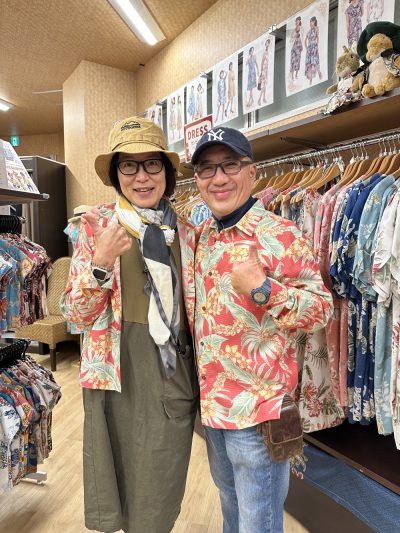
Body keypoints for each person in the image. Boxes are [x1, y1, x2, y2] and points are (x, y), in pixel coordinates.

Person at [181, 127, 333, 533]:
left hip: (258, 412)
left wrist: (264, 289)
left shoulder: (280, 234)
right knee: (231, 509)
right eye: (207, 168)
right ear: (197, 180)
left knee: (258, 522)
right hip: (214, 407)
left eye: (230, 165)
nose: (218, 178)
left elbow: (321, 310)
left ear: (252, 172)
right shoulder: (202, 236)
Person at [61, 116, 199, 533]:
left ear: (167, 171)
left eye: (152, 164)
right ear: (116, 173)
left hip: (170, 367)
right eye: (128, 166)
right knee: (115, 472)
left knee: (161, 476)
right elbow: (75, 315)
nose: (141, 177)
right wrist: (101, 262)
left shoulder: (188, 232)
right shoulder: (94, 227)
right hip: (114, 368)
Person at [305, 15, 322, 84]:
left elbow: (318, 37)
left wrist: (316, 46)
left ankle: (319, 73)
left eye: (311, 22)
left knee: (316, 61)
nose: (310, 23)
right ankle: (310, 79)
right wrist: (307, 48)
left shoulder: (316, 28)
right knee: (309, 64)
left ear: (314, 22)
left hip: (314, 47)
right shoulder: (308, 31)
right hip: (309, 49)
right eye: (310, 22)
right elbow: (305, 41)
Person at [258, 38, 271, 105]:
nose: (267, 44)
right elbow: (262, 62)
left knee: (265, 85)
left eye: (268, 43)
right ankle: (260, 99)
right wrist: (261, 71)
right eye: (266, 43)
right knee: (264, 85)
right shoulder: (265, 52)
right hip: (263, 71)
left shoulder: (268, 52)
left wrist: (267, 72)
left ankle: (263, 98)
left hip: (266, 71)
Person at [290, 16, 303, 81]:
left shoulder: (302, 29)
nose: (296, 22)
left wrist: (302, 46)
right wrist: (294, 36)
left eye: (297, 20)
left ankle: (296, 75)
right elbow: (291, 39)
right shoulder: (293, 30)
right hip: (294, 46)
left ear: (299, 21)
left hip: (299, 46)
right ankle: (292, 76)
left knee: (298, 60)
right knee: (293, 61)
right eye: (296, 21)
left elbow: (303, 37)